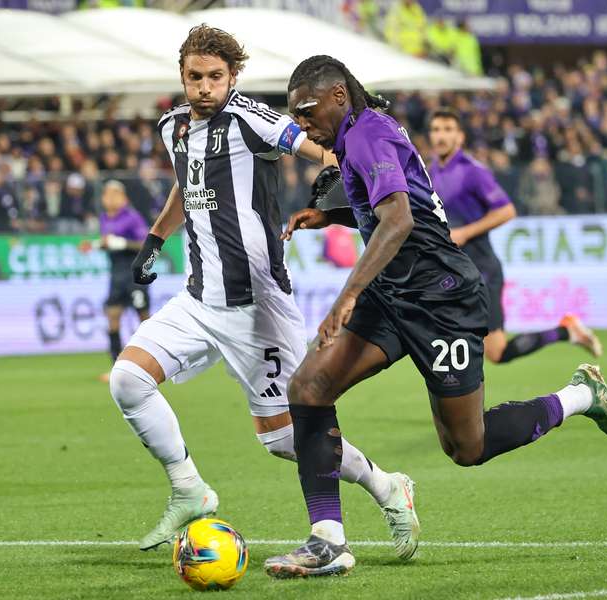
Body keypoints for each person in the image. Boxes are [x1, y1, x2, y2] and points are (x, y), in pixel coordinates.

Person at [263, 55, 607, 578]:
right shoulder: (356, 133)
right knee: (309, 388)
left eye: (307, 110)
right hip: (392, 295)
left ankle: (581, 396)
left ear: (339, 95)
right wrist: (331, 215)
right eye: (294, 113)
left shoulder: (369, 137)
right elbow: (388, 203)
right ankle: (328, 541)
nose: (300, 122)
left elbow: (400, 220)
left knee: (467, 446)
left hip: (442, 301)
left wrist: (347, 296)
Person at [108, 26, 419, 558]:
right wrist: (155, 238)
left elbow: (315, 142)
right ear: (182, 77)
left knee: (284, 439)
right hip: (199, 299)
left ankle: (387, 486)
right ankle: (189, 490)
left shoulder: (251, 116)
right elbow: (188, 182)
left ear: (233, 78)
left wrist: (328, 171)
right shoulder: (173, 129)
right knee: (128, 380)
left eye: (215, 77)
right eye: (194, 77)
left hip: (259, 308)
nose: (204, 87)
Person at [427, 109, 602, 365]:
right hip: (453, 270)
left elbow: (507, 210)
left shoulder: (472, 171)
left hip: (481, 270)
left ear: (460, 136)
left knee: (496, 353)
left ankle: (567, 330)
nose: (440, 136)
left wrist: (465, 232)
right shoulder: (430, 171)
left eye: (447, 129)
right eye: (436, 130)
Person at [86, 180, 152, 381]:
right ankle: (117, 367)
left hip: (134, 272)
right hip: (116, 273)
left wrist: (119, 242)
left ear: (123, 198)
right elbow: (109, 243)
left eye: (114, 194)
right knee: (113, 316)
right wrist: (96, 245)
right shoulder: (105, 218)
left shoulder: (132, 217)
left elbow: (144, 243)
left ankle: (152, 363)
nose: (109, 198)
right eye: (106, 194)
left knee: (144, 318)